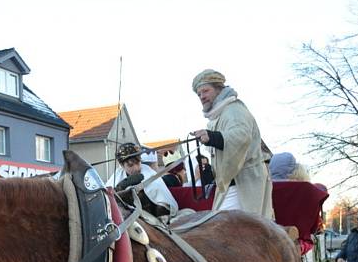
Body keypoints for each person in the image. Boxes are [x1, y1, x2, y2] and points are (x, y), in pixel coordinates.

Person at [190, 69, 274, 219]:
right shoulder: (219, 115)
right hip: (233, 184)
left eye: (205, 91)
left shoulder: (234, 110)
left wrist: (212, 137)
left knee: (227, 228)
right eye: (199, 94)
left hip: (245, 183)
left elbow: (240, 137)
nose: (202, 97)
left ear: (218, 89)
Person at [112, 142, 179, 216]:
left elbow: (164, 204)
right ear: (122, 165)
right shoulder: (117, 176)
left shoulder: (149, 174)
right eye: (130, 165)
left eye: (138, 163)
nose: (136, 168)